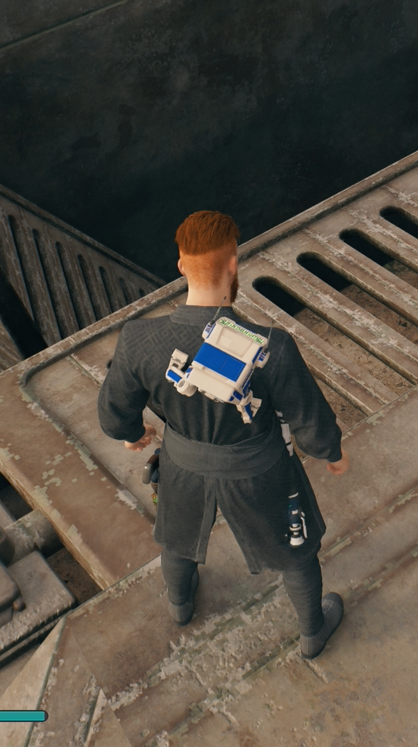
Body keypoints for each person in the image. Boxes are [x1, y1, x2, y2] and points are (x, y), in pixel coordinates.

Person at [97, 211, 349, 657]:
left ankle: (179, 605)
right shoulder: (272, 346)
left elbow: (114, 415)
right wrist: (332, 453)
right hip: (260, 469)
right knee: (295, 550)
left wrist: (134, 433)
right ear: (234, 265)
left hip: (182, 465)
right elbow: (309, 420)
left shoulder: (138, 338)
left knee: (177, 538)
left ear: (181, 266)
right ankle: (312, 632)